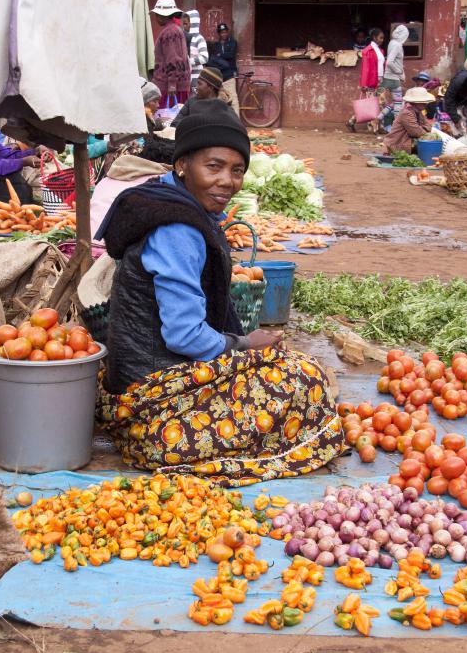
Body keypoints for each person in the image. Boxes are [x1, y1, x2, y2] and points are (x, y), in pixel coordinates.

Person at [94, 105, 344, 486]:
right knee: (306, 380)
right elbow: (184, 335)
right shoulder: (178, 229)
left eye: (237, 170)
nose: (227, 181)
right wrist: (244, 343)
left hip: (136, 377)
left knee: (288, 369)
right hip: (153, 408)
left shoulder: (165, 201)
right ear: (181, 165)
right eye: (214, 167)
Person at [90, 134, 175, 241]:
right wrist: (106, 145)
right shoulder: (161, 187)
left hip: (90, 245)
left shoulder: (105, 181)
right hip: (111, 253)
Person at [151, 0, 190, 109]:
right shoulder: (176, 29)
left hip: (169, 86)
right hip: (178, 84)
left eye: (157, 15)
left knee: (166, 119)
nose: (156, 18)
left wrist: (172, 84)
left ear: (164, 16)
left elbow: (173, 59)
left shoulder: (169, 32)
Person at [384, 87, 434, 154]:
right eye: (423, 102)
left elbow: (429, 126)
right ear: (415, 102)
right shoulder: (406, 113)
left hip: (407, 144)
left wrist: (422, 128)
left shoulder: (418, 112)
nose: (425, 104)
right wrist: (424, 129)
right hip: (397, 146)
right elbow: (417, 132)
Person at [209, 23, 239, 115]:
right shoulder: (216, 45)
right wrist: (218, 58)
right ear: (219, 33)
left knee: (233, 99)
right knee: (220, 100)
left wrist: (219, 56)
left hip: (230, 75)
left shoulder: (233, 42)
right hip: (220, 76)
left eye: (225, 32)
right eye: (222, 33)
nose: (224, 34)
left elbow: (231, 55)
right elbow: (213, 59)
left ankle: (237, 122)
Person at [183, 10, 208, 94]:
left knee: (195, 99)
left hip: (196, 77)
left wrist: (188, 61)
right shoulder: (183, 38)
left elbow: (204, 58)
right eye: (183, 24)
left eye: (186, 24)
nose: (183, 26)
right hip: (185, 77)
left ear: (193, 24)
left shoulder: (199, 39)